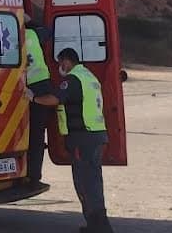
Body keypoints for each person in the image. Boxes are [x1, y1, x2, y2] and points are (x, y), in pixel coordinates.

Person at [29, 47, 114, 233]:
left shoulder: (73, 79)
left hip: (83, 138)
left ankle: (99, 227)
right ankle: (96, 224)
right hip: (96, 135)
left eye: (60, 63)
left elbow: (54, 99)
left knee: (85, 182)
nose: (60, 67)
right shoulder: (89, 76)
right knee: (93, 180)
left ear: (67, 61)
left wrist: (33, 98)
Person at [23, 14, 53, 191]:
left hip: (21, 87)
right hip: (42, 85)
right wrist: (30, 20)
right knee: (36, 135)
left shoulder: (7, 35)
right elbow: (49, 31)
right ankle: (33, 177)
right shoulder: (34, 34)